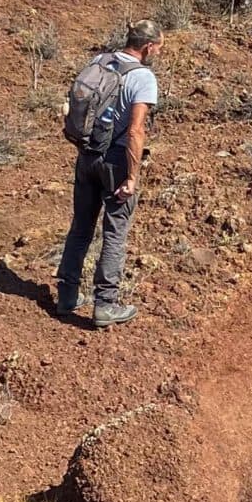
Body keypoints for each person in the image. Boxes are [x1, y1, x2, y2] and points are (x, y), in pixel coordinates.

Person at [55, 21, 160, 327]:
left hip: (86, 156)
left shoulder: (98, 62)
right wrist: (131, 177)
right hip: (114, 161)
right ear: (148, 47)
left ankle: (67, 294)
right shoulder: (142, 77)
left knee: (81, 228)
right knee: (114, 232)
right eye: (158, 48)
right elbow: (135, 131)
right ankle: (106, 304)